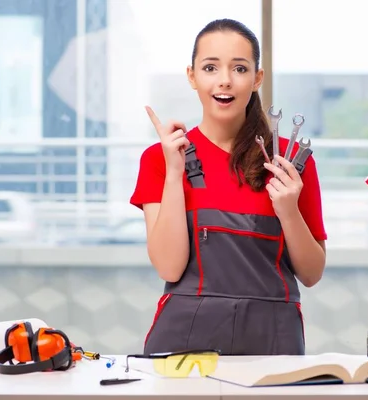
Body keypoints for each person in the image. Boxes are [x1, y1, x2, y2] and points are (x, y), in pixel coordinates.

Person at [129, 18, 327, 356]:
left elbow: (311, 274)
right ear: (192, 76)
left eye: (239, 68)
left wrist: (289, 212)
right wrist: (175, 174)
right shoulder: (160, 159)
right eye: (210, 67)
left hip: (273, 340)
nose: (225, 81)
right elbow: (169, 267)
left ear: (257, 78)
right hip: (184, 345)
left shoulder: (292, 163)